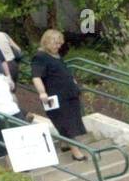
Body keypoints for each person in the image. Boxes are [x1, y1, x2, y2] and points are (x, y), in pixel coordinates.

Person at [31, 28, 89, 160]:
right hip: (55, 97)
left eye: (59, 44)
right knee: (66, 123)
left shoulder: (56, 56)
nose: (58, 46)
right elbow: (36, 76)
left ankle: (65, 144)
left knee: (71, 120)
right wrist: (42, 92)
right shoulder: (40, 57)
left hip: (68, 94)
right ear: (47, 42)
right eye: (55, 43)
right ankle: (76, 152)